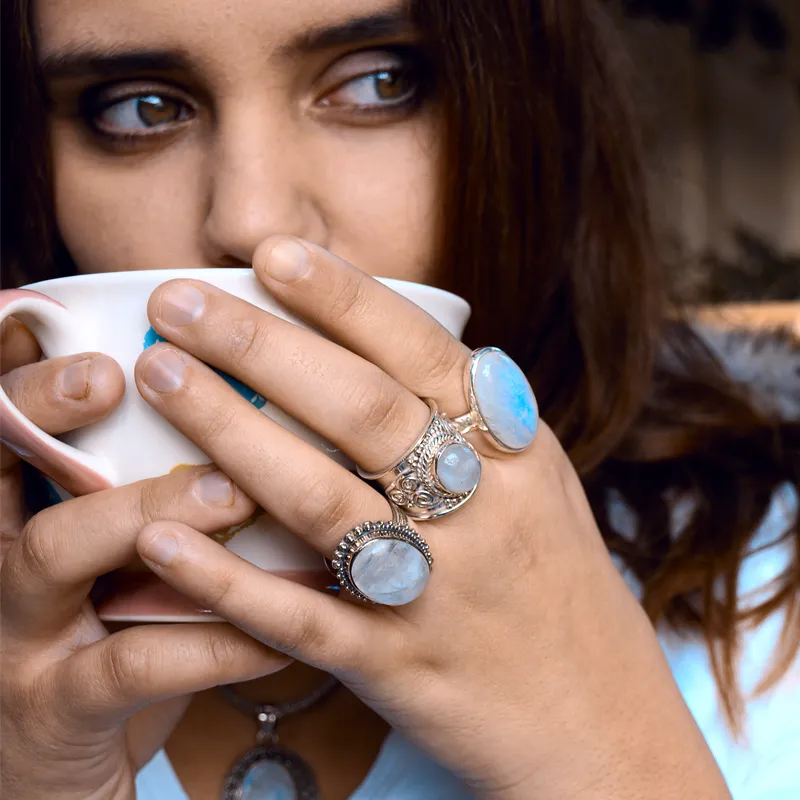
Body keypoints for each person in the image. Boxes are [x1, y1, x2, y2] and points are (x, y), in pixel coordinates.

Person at [1, 0, 797, 798]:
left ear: (529, 113)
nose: (252, 221)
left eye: (379, 82)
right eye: (140, 108)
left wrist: (608, 753)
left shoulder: (771, 596)